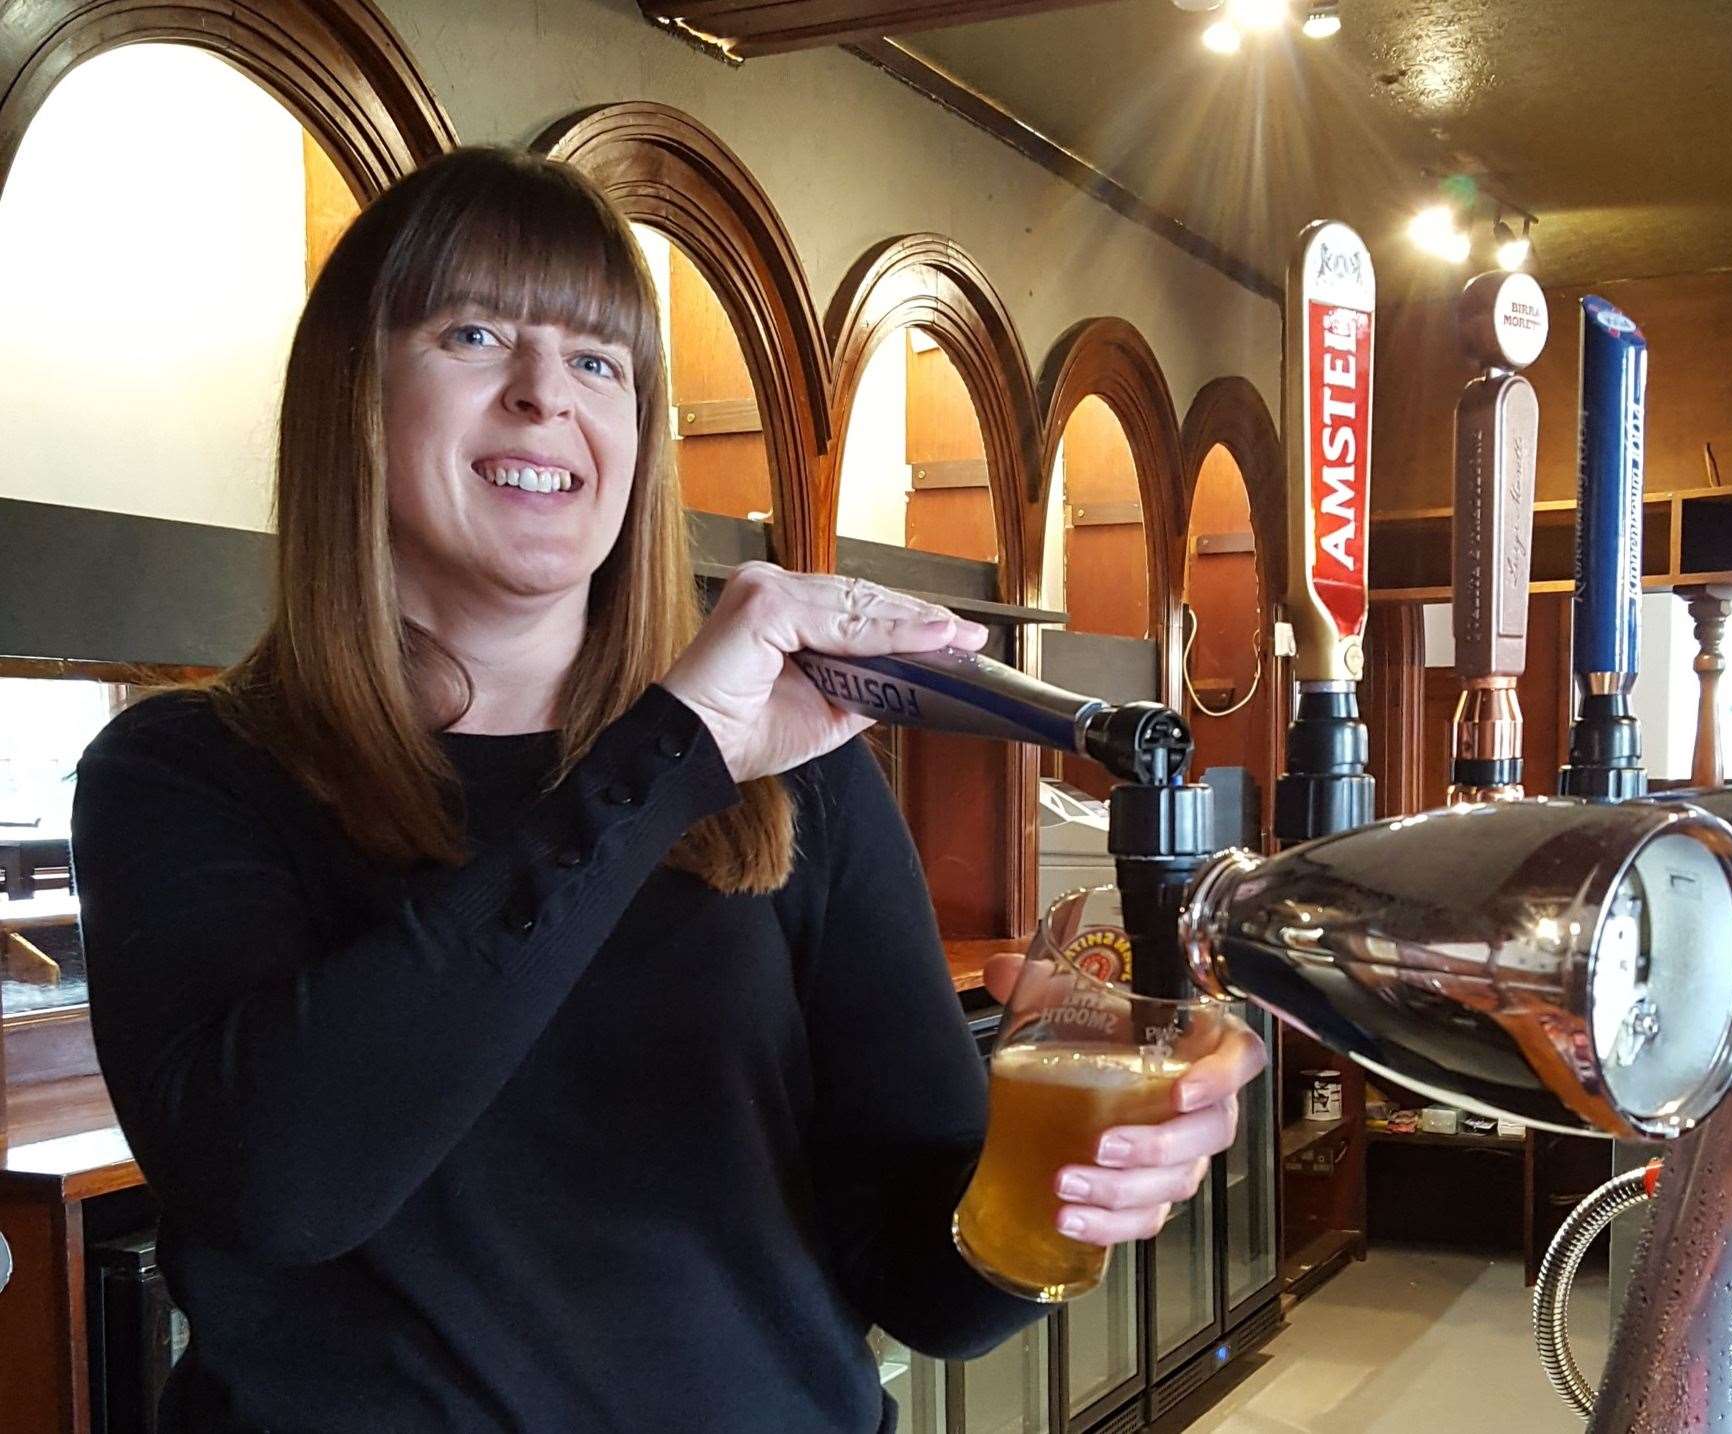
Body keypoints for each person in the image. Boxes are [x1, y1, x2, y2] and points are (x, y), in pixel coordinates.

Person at [70, 146, 1266, 1433]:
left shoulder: (797, 777)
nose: (546, 398)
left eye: (599, 362)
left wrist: (1060, 1189)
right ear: (352, 400)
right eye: (475, 334)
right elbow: (280, 1186)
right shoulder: (187, 776)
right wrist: (672, 750)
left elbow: (928, 1289)